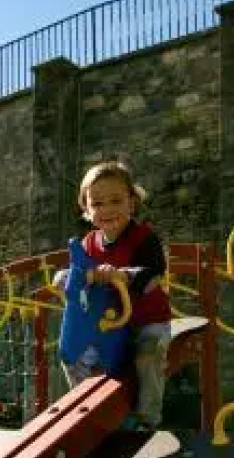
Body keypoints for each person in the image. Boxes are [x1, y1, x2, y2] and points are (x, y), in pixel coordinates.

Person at [54, 160, 171, 429]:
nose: (107, 209)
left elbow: (153, 274)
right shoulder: (88, 243)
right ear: (86, 210)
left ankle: (148, 418)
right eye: (97, 204)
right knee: (73, 353)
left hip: (145, 321)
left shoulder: (144, 238)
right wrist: (64, 276)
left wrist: (123, 274)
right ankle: (86, 404)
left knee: (148, 353)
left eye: (116, 200)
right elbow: (78, 269)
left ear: (132, 203)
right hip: (109, 323)